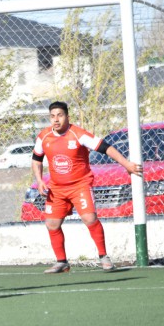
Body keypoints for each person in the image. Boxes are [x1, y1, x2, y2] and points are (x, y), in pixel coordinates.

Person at [32, 101, 142, 274]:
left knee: (90, 219)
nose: (56, 120)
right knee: (51, 224)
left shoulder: (78, 134)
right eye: (52, 116)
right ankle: (62, 262)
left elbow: (106, 148)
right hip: (57, 188)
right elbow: (36, 159)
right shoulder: (43, 137)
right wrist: (39, 180)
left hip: (80, 185)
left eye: (60, 115)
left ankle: (104, 256)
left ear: (67, 117)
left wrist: (126, 164)